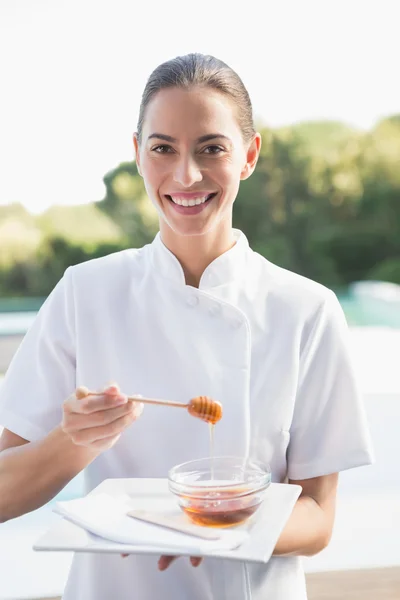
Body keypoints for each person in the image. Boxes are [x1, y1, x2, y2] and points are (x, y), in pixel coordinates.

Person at [0, 53, 374, 600]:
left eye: (211, 148)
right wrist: (76, 442)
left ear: (248, 155)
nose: (186, 175)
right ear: (137, 154)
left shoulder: (307, 309)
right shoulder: (85, 292)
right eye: (163, 149)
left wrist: (231, 527)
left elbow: (317, 519)